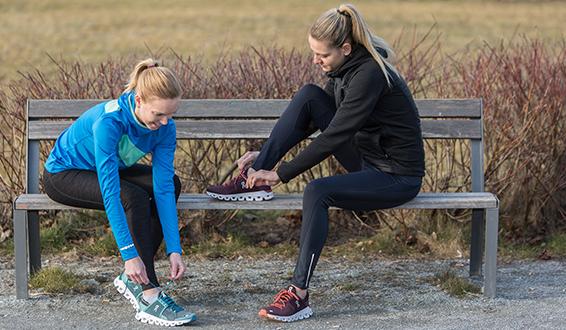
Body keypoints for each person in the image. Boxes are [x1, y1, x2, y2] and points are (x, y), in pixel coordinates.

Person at [206, 3, 425, 323]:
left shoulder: (369, 75)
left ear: (345, 48)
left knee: (316, 191)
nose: (315, 60)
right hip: (369, 161)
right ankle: (252, 180)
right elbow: (314, 117)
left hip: (395, 176)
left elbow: (335, 135)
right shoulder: (342, 69)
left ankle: (299, 295)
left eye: (322, 55)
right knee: (309, 95)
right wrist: (264, 156)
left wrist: (280, 173)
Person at [43, 58, 196, 326]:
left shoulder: (164, 128)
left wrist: (175, 247)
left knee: (171, 184)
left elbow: (162, 188)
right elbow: (111, 192)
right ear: (138, 100)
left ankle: (135, 277)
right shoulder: (110, 122)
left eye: (170, 114)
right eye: (158, 114)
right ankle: (148, 293)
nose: (164, 121)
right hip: (64, 174)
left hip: (109, 167)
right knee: (133, 197)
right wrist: (128, 255)